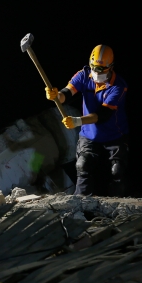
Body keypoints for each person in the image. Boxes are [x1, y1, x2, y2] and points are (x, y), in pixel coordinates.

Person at [46, 44, 129, 196]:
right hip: (89, 134)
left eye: (101, 69)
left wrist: (77, 121)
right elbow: (67, 93)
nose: (96, 72)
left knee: (117, 171)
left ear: (111, 67)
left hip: (114, 135)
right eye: (94, 67)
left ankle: (117, 203)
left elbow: (102, 115)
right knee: (82, 165)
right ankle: (81, 203)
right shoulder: (83, 75)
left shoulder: (118, 86)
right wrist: (56, 96)